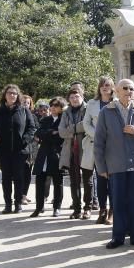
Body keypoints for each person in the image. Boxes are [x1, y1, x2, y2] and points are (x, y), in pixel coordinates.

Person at [95, 79, 134, 249]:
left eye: (132, 88)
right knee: (118, 202)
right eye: (125, 88)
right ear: (117, 91)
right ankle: (118, 237)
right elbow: (99, 141)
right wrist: (101, 167)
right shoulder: (107, 111)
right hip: (116, 165)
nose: (129, 91)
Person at [0, 84, 37, 214]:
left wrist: (25, 140)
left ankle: (17, 204)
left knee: (18, 178)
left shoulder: (24, 110)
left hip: (20, 151)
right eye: (9, 93)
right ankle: (8, 204)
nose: (12, 95)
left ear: (18, 96)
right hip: (3, 151)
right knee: (6, 178)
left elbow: (32, 128)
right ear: (5, 95)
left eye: (14, 93)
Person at [82, 77, 115, 222]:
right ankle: (102, 210)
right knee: (101, 179)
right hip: (97, 145)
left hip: (115, 147)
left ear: (113, 87)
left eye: (107, 85)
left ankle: (113, 211)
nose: (104, 87)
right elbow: (86, 123)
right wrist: (98, 135)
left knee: (113, 180)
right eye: (102, 85)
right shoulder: (92, 103)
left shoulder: (117, 103)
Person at [31, 98, 66, 218]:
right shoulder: (45, 119)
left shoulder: (64, 120)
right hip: (43, 154)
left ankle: (57, 207)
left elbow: (61, 137)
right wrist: (52, 132)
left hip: (57, 154)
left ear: (61, 107)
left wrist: (48, 134)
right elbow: (38, 134)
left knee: (58, 182)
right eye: (52, 106)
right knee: (40, 181)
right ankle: (39, 207)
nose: (53, 108)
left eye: (56, 106)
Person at [58, 87, 89, 219]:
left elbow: (88, 125)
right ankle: (77, 208)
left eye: (77, 97)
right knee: (74, 181)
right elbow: (61, 132)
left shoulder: (88, 109)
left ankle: (87, 207)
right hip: (70, 150)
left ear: (82, 97)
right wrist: (77, 129)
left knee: (88, 181)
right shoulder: (66, 112)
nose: (74, 99)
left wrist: (72, 128)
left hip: (86, 149)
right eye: (71, 97)